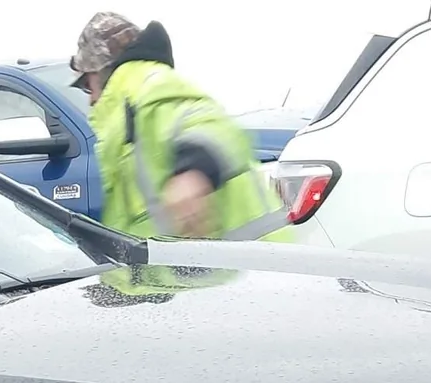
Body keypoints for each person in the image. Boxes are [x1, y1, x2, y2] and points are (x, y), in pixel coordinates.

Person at [70, 12, 290, 242]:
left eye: (87, 85)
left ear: (102, 70)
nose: (91, 99)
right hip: (202, 260)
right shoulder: (127, 109)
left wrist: (194, 169)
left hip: (252, 258)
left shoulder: (147, 84)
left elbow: (208, 123)